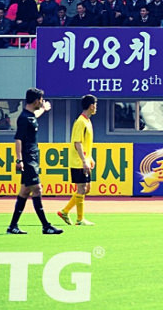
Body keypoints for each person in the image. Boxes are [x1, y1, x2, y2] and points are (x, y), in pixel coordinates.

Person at [7, 88, 64, 235]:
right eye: (41, 99)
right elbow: (18, 139)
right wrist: (19, 160)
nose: (42, 101)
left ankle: (12, 226)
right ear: (35, 100)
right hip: (28, 159)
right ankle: (46, 226)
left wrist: (44, 110)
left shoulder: (30, 116)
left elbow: (34, 117)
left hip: (33, 158)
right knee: (37, 189)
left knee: (25, 191)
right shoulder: (23, 118)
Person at [57, 95, 97, 227]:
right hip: (78, 161)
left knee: (86, 189)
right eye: (95, 104)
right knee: (82, 188)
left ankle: (65, 211)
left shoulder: (87, 121)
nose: (96, 107)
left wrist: (90, 157)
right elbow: (77, 143)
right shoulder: (80, 121)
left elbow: (85, 143)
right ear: (91, 106)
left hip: (84, 159)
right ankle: (80, 219)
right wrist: (84, 160)